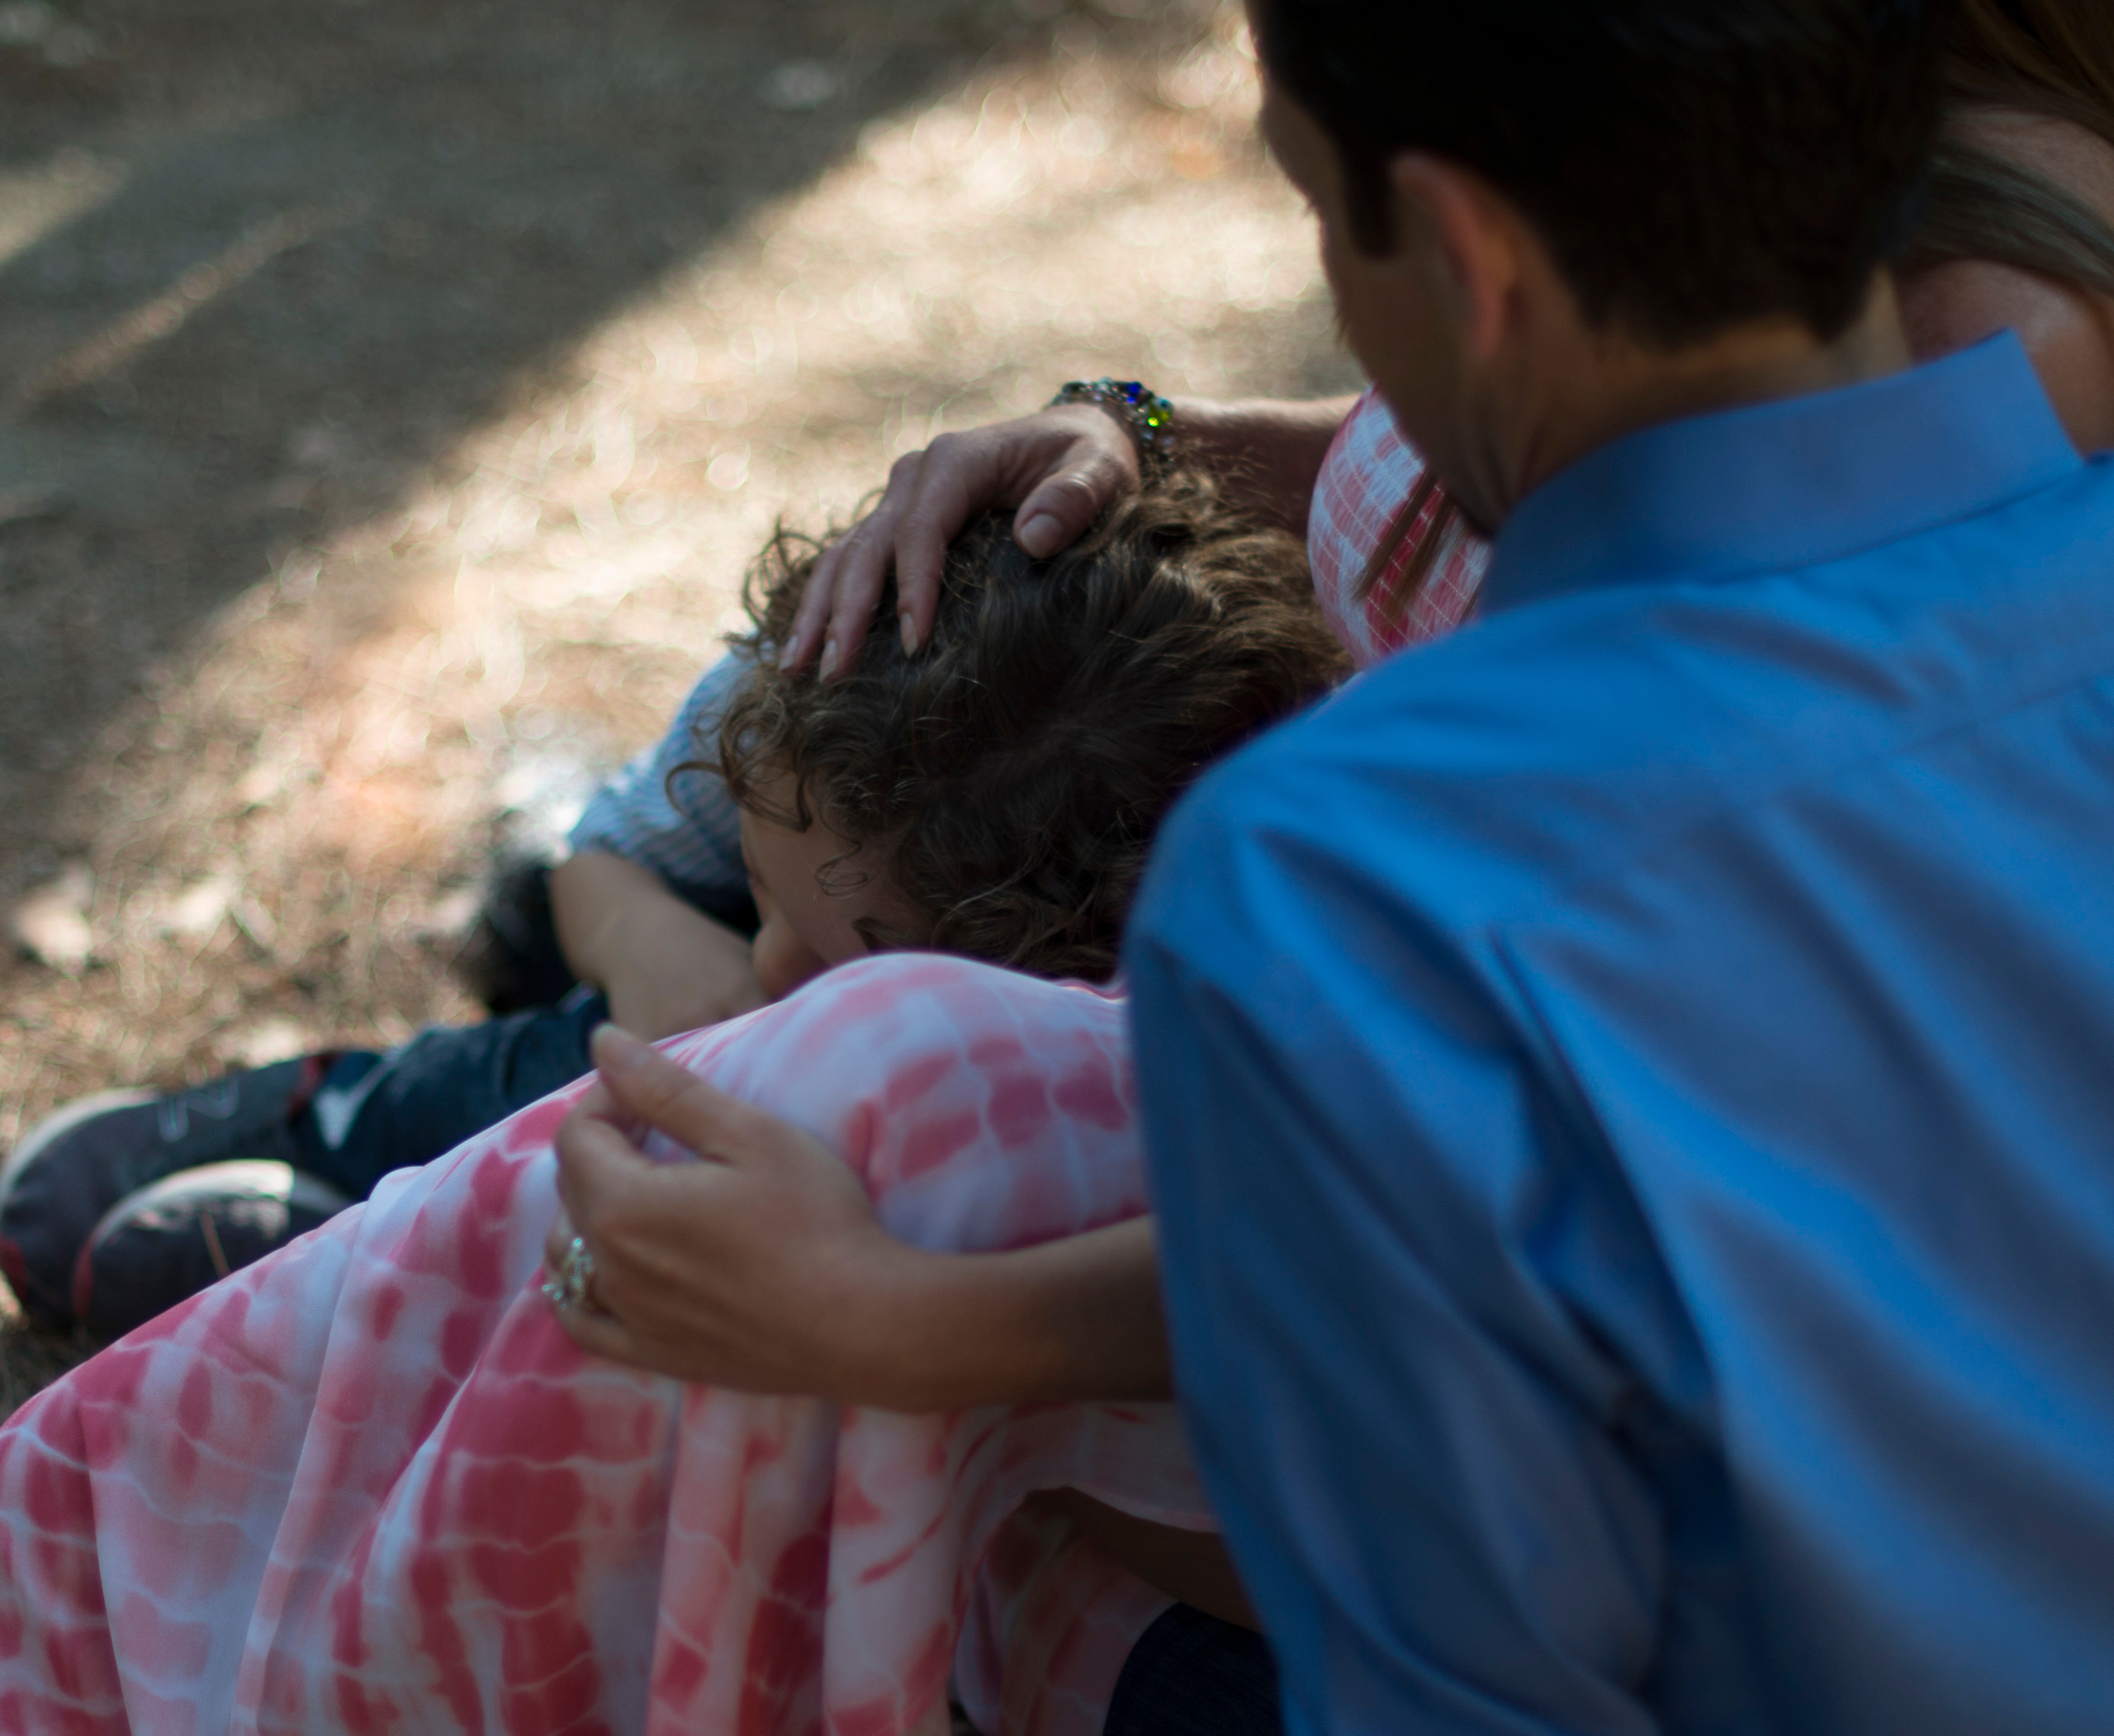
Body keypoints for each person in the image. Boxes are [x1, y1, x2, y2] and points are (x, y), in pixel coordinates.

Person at [533, 0, 2114, 1729]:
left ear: (1455, 243)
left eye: (1312, 202)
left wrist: (897, 1339)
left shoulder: (1339, 885)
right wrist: (1141, 419)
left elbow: (1462, 1665)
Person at [0, 477, 1340, 1732]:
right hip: (643, 977)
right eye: (781, 911)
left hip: (808, 1153)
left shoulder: (1133, 1090)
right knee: (573, 1045)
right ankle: (337, 1116)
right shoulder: (848, 688)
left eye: (847, 971)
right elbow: (625, 868)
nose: (786, 969)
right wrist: (656, 947)